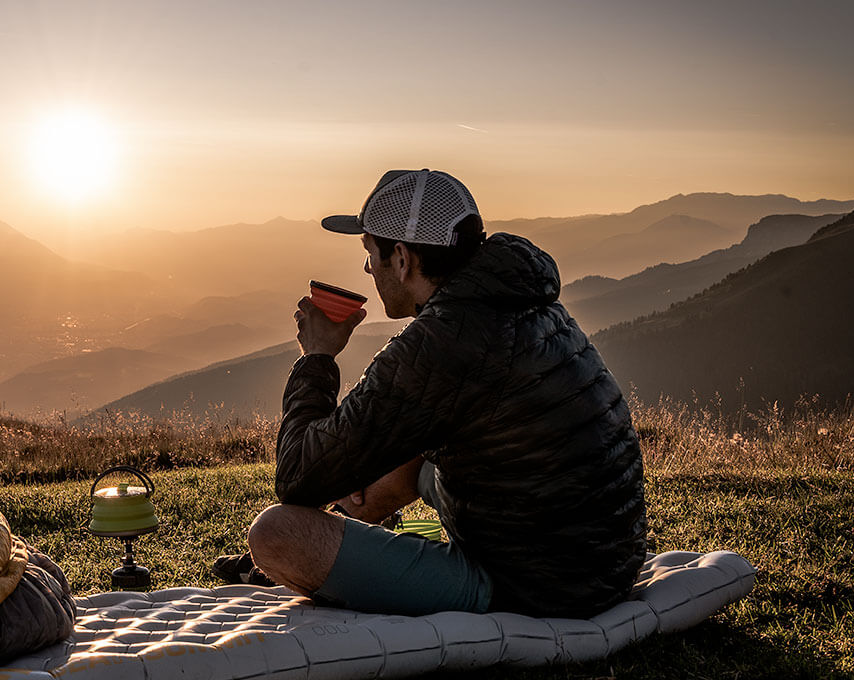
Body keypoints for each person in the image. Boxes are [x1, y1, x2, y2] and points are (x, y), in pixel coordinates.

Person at [224, 168, 647, 618]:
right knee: (411, 453)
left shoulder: (442, 343)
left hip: (534, 588)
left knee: (275, 532)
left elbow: (296, 476)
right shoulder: (516, 299)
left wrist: (318, 357)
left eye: (371, 253)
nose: (368, 268)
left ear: (403, 259)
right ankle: (356, 531)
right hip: (606, 563)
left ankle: (329, 561)